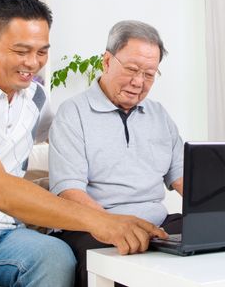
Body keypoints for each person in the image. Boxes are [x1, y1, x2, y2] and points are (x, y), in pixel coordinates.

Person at [0, 0, 166, 287]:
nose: (33, 63)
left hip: (6, 233)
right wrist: (101, 221)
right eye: (21, 50)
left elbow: (73, 138)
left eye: (42, 51)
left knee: (56, 257)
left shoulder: (35, 99)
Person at [49, 20, 184, 287]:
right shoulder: (72, 113)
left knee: (213, 249)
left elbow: (184, 179)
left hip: (156, 224)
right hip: (93, 227)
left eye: (149, 74)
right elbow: (69, 192)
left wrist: (221, 214)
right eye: (132, 69)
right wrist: (115, 226)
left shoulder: (159, 115)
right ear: (107, 61)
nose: (138, 82)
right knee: (123, 271)